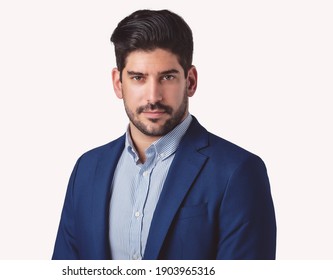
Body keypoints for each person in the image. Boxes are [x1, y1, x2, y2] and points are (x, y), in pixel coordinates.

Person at [52, 9, 276, 260]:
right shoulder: (87, 169)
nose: (153, 97)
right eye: (138, 78)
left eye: (167, 77)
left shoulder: (238, 171)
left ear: (190, 81)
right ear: (118, 83)